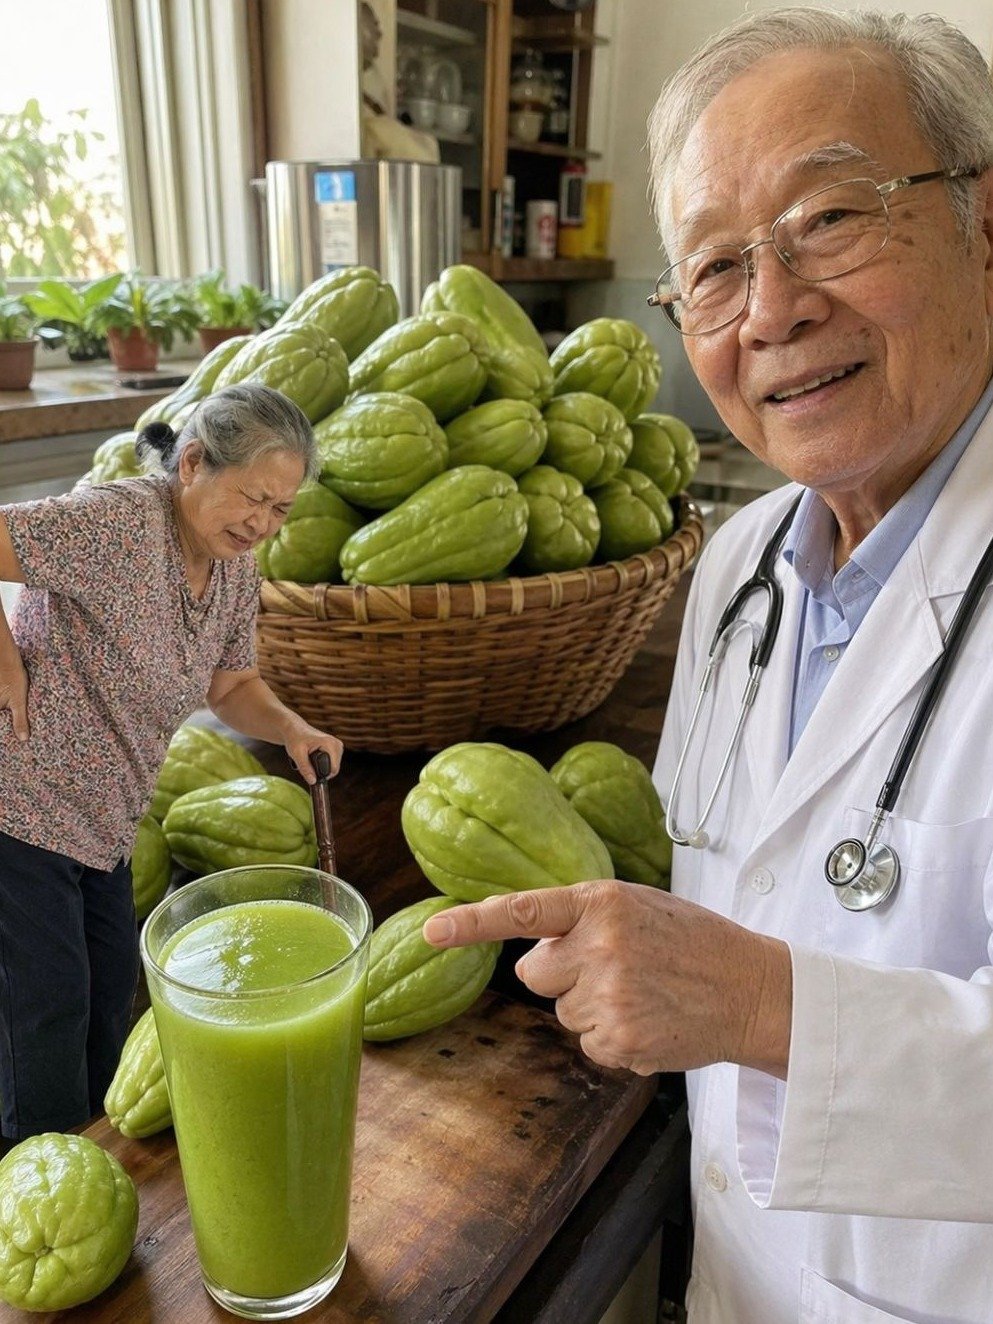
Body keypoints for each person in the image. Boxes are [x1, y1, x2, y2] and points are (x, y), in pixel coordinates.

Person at [423, 9, 993, 1321]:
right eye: (716, 270)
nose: (774, 312)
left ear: (980, 225)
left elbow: (753, 984)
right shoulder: (732, 564)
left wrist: (761, 1005)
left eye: (831, 219)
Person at [0, 382, 344, 1146]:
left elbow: (231, 683)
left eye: (280, 509)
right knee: (45, 1010)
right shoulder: (118, 522)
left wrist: (290, 728)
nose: (261, 522)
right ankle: (30, 1188)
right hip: (19, 805)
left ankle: (93, 1161)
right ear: (191, 464)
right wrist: (5, 669)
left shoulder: (233, 567)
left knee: (114, 995)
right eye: (252, 497)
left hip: (105, 822)